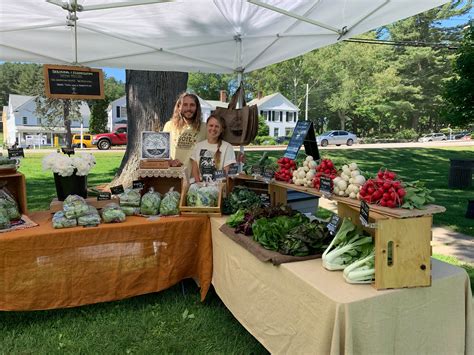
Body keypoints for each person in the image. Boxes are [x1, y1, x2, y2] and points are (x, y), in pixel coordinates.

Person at [162, 92, 207, 177]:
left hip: (195, 178)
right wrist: (170, 161)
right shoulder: (169, 125)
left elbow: (214, 148)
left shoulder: (205, 127)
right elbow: (162, 151)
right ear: (179, 107)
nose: (188, 108)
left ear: (197, 108)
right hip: (172, 176)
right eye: (185, 105)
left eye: (192, 105)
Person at [191, 115, 236, 183]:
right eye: (211, 125)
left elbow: (226, 173)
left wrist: (213, 188)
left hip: (217, 188)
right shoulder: (198, 146)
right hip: (199, 187)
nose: (213, 129)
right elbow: (195, 170)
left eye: (217, 126)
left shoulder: (227, 147)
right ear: (206, 126)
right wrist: (199, 185)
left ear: (221, 130)